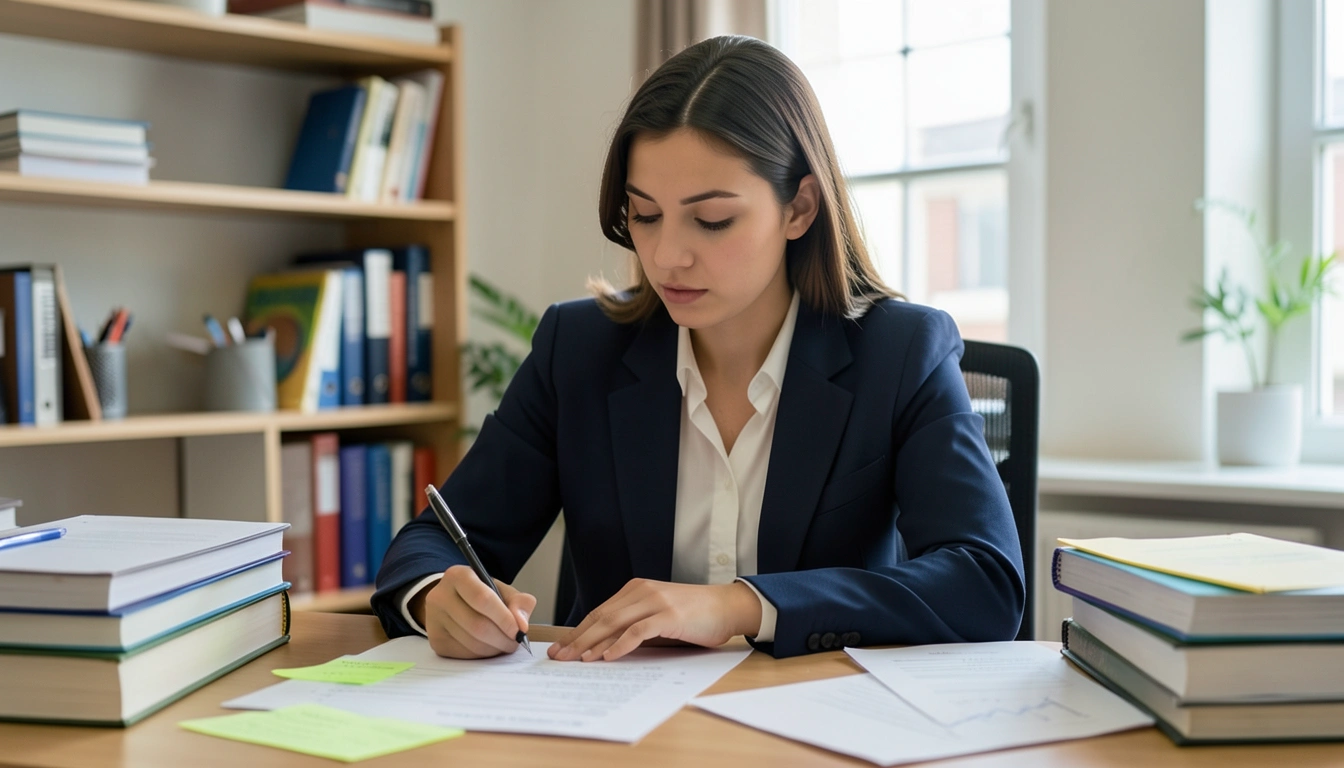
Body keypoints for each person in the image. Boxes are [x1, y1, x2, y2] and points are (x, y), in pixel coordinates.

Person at [371, 35, 1024, 661]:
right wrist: (435, 598)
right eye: (645, 215)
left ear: (799, 208)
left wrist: (740, 606)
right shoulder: (578, 350)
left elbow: (984, 581)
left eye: (712, 220)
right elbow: (434, 542)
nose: (666, 257)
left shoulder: (900, 353)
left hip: (813, 716)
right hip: (614, 713)